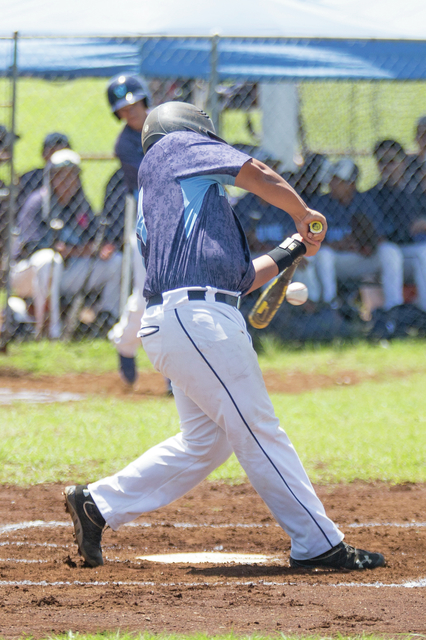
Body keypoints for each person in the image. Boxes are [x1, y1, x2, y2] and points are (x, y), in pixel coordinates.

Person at [64, 102, 385, 572]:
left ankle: (97, 505)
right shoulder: (174, 148)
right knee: (257, 428)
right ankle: (318, 542)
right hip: (197, 321)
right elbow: (253, 170)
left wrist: (294, 245)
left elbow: (238, 279)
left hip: (188, 320)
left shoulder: (184, 201)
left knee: (207, 442)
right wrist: (302, 213)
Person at [11, 149, 122, 338]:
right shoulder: (37, 203)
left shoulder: (80, 203)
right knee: (49, 259)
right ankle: (50, 331)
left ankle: (107, 320)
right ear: (50, 178)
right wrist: (80, 251)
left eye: (72, 175)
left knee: (115, 262)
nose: (67, 181)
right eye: (61, 175)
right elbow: (34, 247)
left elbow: (95, 242)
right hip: (27, 274)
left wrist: (96, 249)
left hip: (65, 272)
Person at [106, 75, 172, 391]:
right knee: (150, 296)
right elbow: (156, 174)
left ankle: (174, 370)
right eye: (124, 109)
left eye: (135, 104)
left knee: (173, 293)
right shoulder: (125, 145)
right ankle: (126, 343)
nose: (132, 112)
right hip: (148, 226)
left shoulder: (167, 123)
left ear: (145, 100)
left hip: (179, 221)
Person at [313, 158, 397, 310]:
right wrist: (336, 245)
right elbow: (309, 241)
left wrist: (365, 245)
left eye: (337, 180)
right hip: (337, 259)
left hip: (362, 258)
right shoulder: (321, 203)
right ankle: (330, 307)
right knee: (324, 254)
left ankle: (394, 306)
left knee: (390, 251)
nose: (331, 184)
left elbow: (380, 236)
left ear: (351, 184)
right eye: (332, 180)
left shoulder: (365, 201)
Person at [366, 139, 426, 311]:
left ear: (403, 162)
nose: (386, 166)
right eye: (381, 161)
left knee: (424, 252)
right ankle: (394, 310)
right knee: (389, 251)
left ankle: (423, 312)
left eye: (391, 161)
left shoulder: (416, 192)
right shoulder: (371, 195)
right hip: (383, 254)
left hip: (411, 251)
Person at [16, 132, 71, 214]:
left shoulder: (73, 178)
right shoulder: (31, 177)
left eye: (62, 151)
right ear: (43, 154)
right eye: (52, 151)